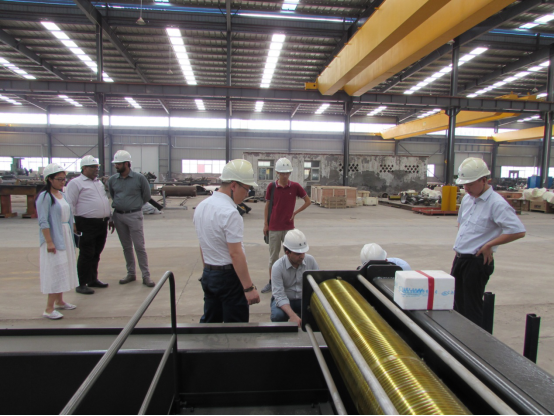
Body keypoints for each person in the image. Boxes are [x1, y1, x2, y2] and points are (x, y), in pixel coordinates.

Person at [453, 158, 526, 326]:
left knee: (471, 307)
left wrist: (489, 245)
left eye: (470, 184)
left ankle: (474, 339)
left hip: (477, 261)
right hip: (460, 258)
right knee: (457, 302)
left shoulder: (496, 204)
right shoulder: (467, 199)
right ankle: (459, 336)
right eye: (464, 185)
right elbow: (461, 223)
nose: (466, 188)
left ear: (484, 180)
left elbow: (518, 230)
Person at [193, 159, 261, 323]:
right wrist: (249, 288)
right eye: (247, 189)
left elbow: (203, 245)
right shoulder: (230, 213)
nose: (247, 194)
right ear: (234, 186)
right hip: (228, 279)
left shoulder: (202, 206)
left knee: (211, 323)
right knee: (236, 327)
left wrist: (207, 271)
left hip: (209, 275)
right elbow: (235, 253)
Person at [261, 158, 311, 294]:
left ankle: (291, 282)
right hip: (274, 227)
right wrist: (266, 224)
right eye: (282, 173)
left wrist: (295, 212)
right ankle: (272, 283)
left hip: (289, 228)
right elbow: (267, 206)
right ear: (277, 172)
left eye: (287, 173)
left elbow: (308, 201)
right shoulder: (272, 187)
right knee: (273, 257)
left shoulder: (295, 187)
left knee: (292, 256)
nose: (285, 175)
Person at [36, 163, 78, 320]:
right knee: (55, 270)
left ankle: (60, 301)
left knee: (63, 268)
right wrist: (49, 241)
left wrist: (73, 229)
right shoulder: (45, 197)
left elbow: (69, 215)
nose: (62, 182)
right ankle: (49, 308)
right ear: (49, 179)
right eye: (59, 179)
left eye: (64, 179)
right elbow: (43, 221)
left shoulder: (62, 195)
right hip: (54, 237)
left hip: (65, 235)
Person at [66, 156, 112, 295]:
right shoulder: (76, 183)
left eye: (97, 167)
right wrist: (72, 222)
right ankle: (81, 283)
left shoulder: (98, 183)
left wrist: (109, 216)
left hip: (101, 223)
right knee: (87, 253)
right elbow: (69, 204)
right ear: (84, 168)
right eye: (93, 167)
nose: (96, 170)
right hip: (86, 223)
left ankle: (92, 279)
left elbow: (103, 200)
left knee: (96, 252)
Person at [108, 150, 155, 288]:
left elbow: (146, 196)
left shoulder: (139, 179)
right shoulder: (113, 180)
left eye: (119, 164)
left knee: (139, 246)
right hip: (118, 216)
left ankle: (146, 275)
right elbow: (113, 195)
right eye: (115, 164)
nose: (116, 166)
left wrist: (134, 205)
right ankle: (131, 273)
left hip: (134, 215)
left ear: (127, 164)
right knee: (126, 247)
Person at [271, 229, 319, 327]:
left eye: (303, 252)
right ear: (287, 252)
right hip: (285, 298)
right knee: (277, 316)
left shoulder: (310, 261)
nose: (302, 256)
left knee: (319, 314)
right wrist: (292, 316)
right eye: (298, 254)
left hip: (303, 299)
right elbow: (279, 295)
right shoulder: (277, 267)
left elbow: (317, 285)